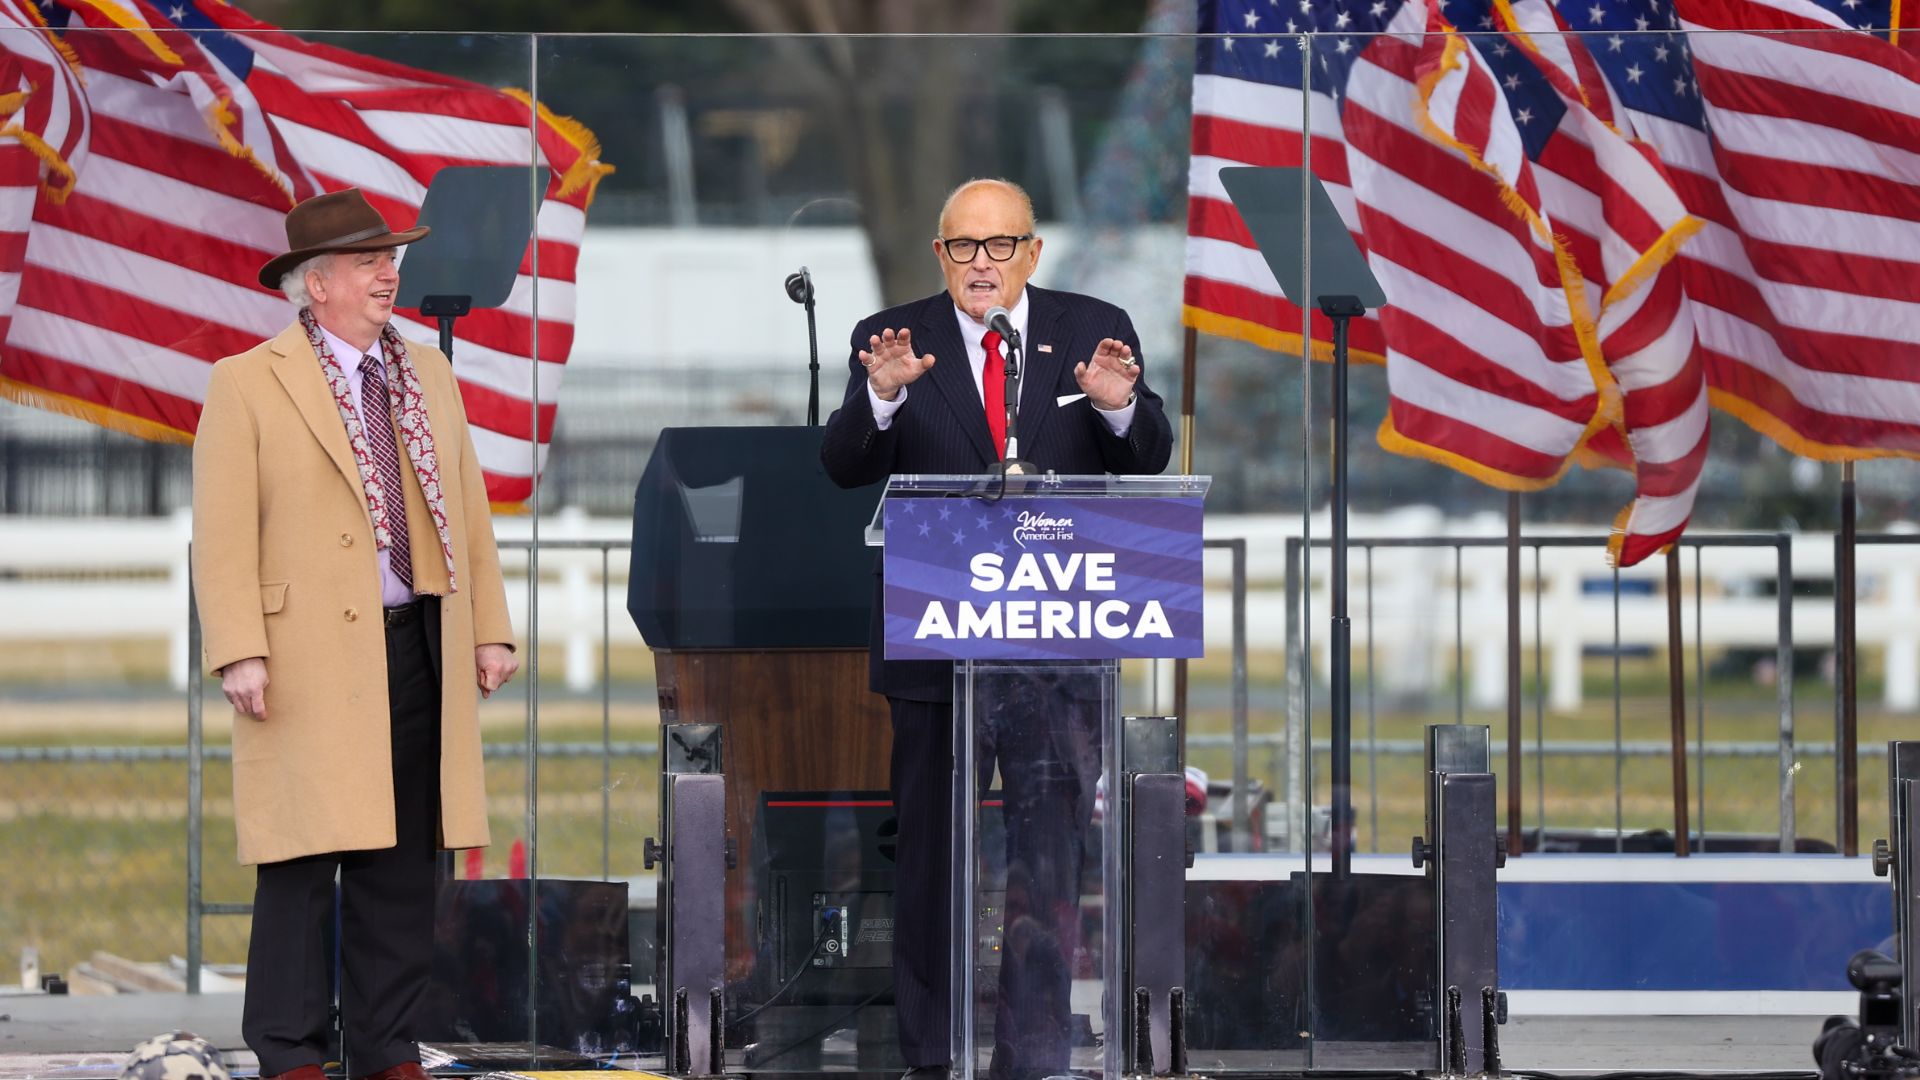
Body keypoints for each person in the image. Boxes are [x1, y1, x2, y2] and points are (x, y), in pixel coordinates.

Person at [820, 178, 1173, 1080]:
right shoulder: (896, 337)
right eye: (963, 249)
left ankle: (1032, 1055)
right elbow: (843, 465)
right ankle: (934, 1059)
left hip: (1058, 656)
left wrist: (1113, 406)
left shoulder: (1093, 326)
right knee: (934, 869)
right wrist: (885, 399)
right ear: (939, 256)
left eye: (1000, 246)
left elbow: (1149, 454)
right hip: (937, 651)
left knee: (1046, 867)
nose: (982, 264)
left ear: (1032, 253)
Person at [191, 187, 518, 1080]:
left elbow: (469, 513)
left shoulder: (428, 374)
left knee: (404, 866)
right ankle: (291, 1054)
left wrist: (489, 629)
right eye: (371, 261)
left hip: (418, 644)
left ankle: (385, 1049)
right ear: (315, 284)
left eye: (392, 258)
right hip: (301, 657)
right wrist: (239, 647)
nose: (389, 273)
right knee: (300, 859)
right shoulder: (248, 381)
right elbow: (220, 534)